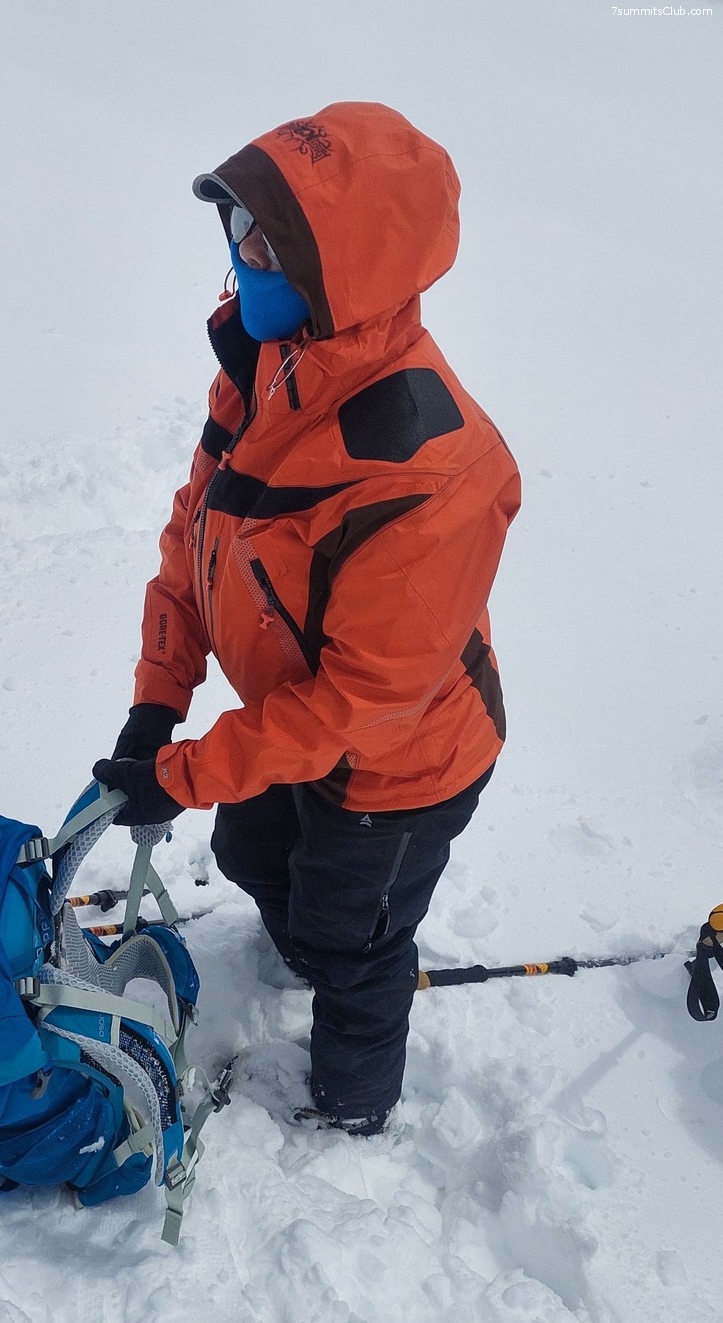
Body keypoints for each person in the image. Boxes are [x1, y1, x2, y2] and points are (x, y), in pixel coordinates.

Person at [93, 102, 520, 1136]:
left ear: (349, 269)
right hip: (297, 727)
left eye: (268, 239)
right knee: (250, 849)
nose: (241, 256)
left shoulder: (431, 472)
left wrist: (184, 773)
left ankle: (352, 1106)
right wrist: (156, 707)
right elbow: (194, 537)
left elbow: (360, 704)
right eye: (237, 227)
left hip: (399, 770)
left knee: (355, 941)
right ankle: (301, 953)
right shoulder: (264, 367)